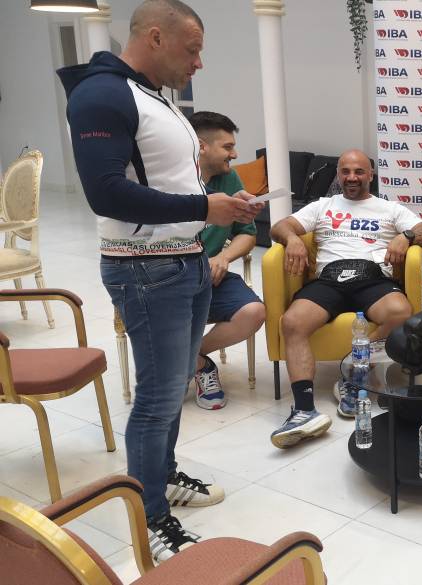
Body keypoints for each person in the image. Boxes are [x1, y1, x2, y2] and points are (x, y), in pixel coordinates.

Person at [58, 0, 262, 562]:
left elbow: (167, 178)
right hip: (145, 268)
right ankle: (148, 518)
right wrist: (204, 207)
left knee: (173, 389)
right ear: (154, 37)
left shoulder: (151, 95)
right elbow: (105, 192)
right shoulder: (102, 94)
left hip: (184, 259)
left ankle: (163, 476)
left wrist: (217, 206)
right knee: (156, 399)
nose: (198, 63)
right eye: (191, 49)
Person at [269, 149, 422, 448]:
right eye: (345, 171)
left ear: (370, 175)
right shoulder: (322, 206)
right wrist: (293, 238)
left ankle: (352, 375)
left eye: (359, 171)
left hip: (372, 278)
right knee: (293, 322)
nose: (352, 177)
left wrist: (406, 236)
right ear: (338, 174)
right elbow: (279, 226)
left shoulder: (389, 208)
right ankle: (304, 411)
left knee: (400, 312)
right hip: (328, 279)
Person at [188, 111, 267, 410]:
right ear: (201, 145)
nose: (234, 154)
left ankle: (191, 360)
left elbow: (247, 234)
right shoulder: (174, 180)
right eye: (228, 147)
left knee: (254, 312)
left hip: (214, 278)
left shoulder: (229, 178)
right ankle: (196, 365)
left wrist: (224, 256)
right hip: (175, 279)